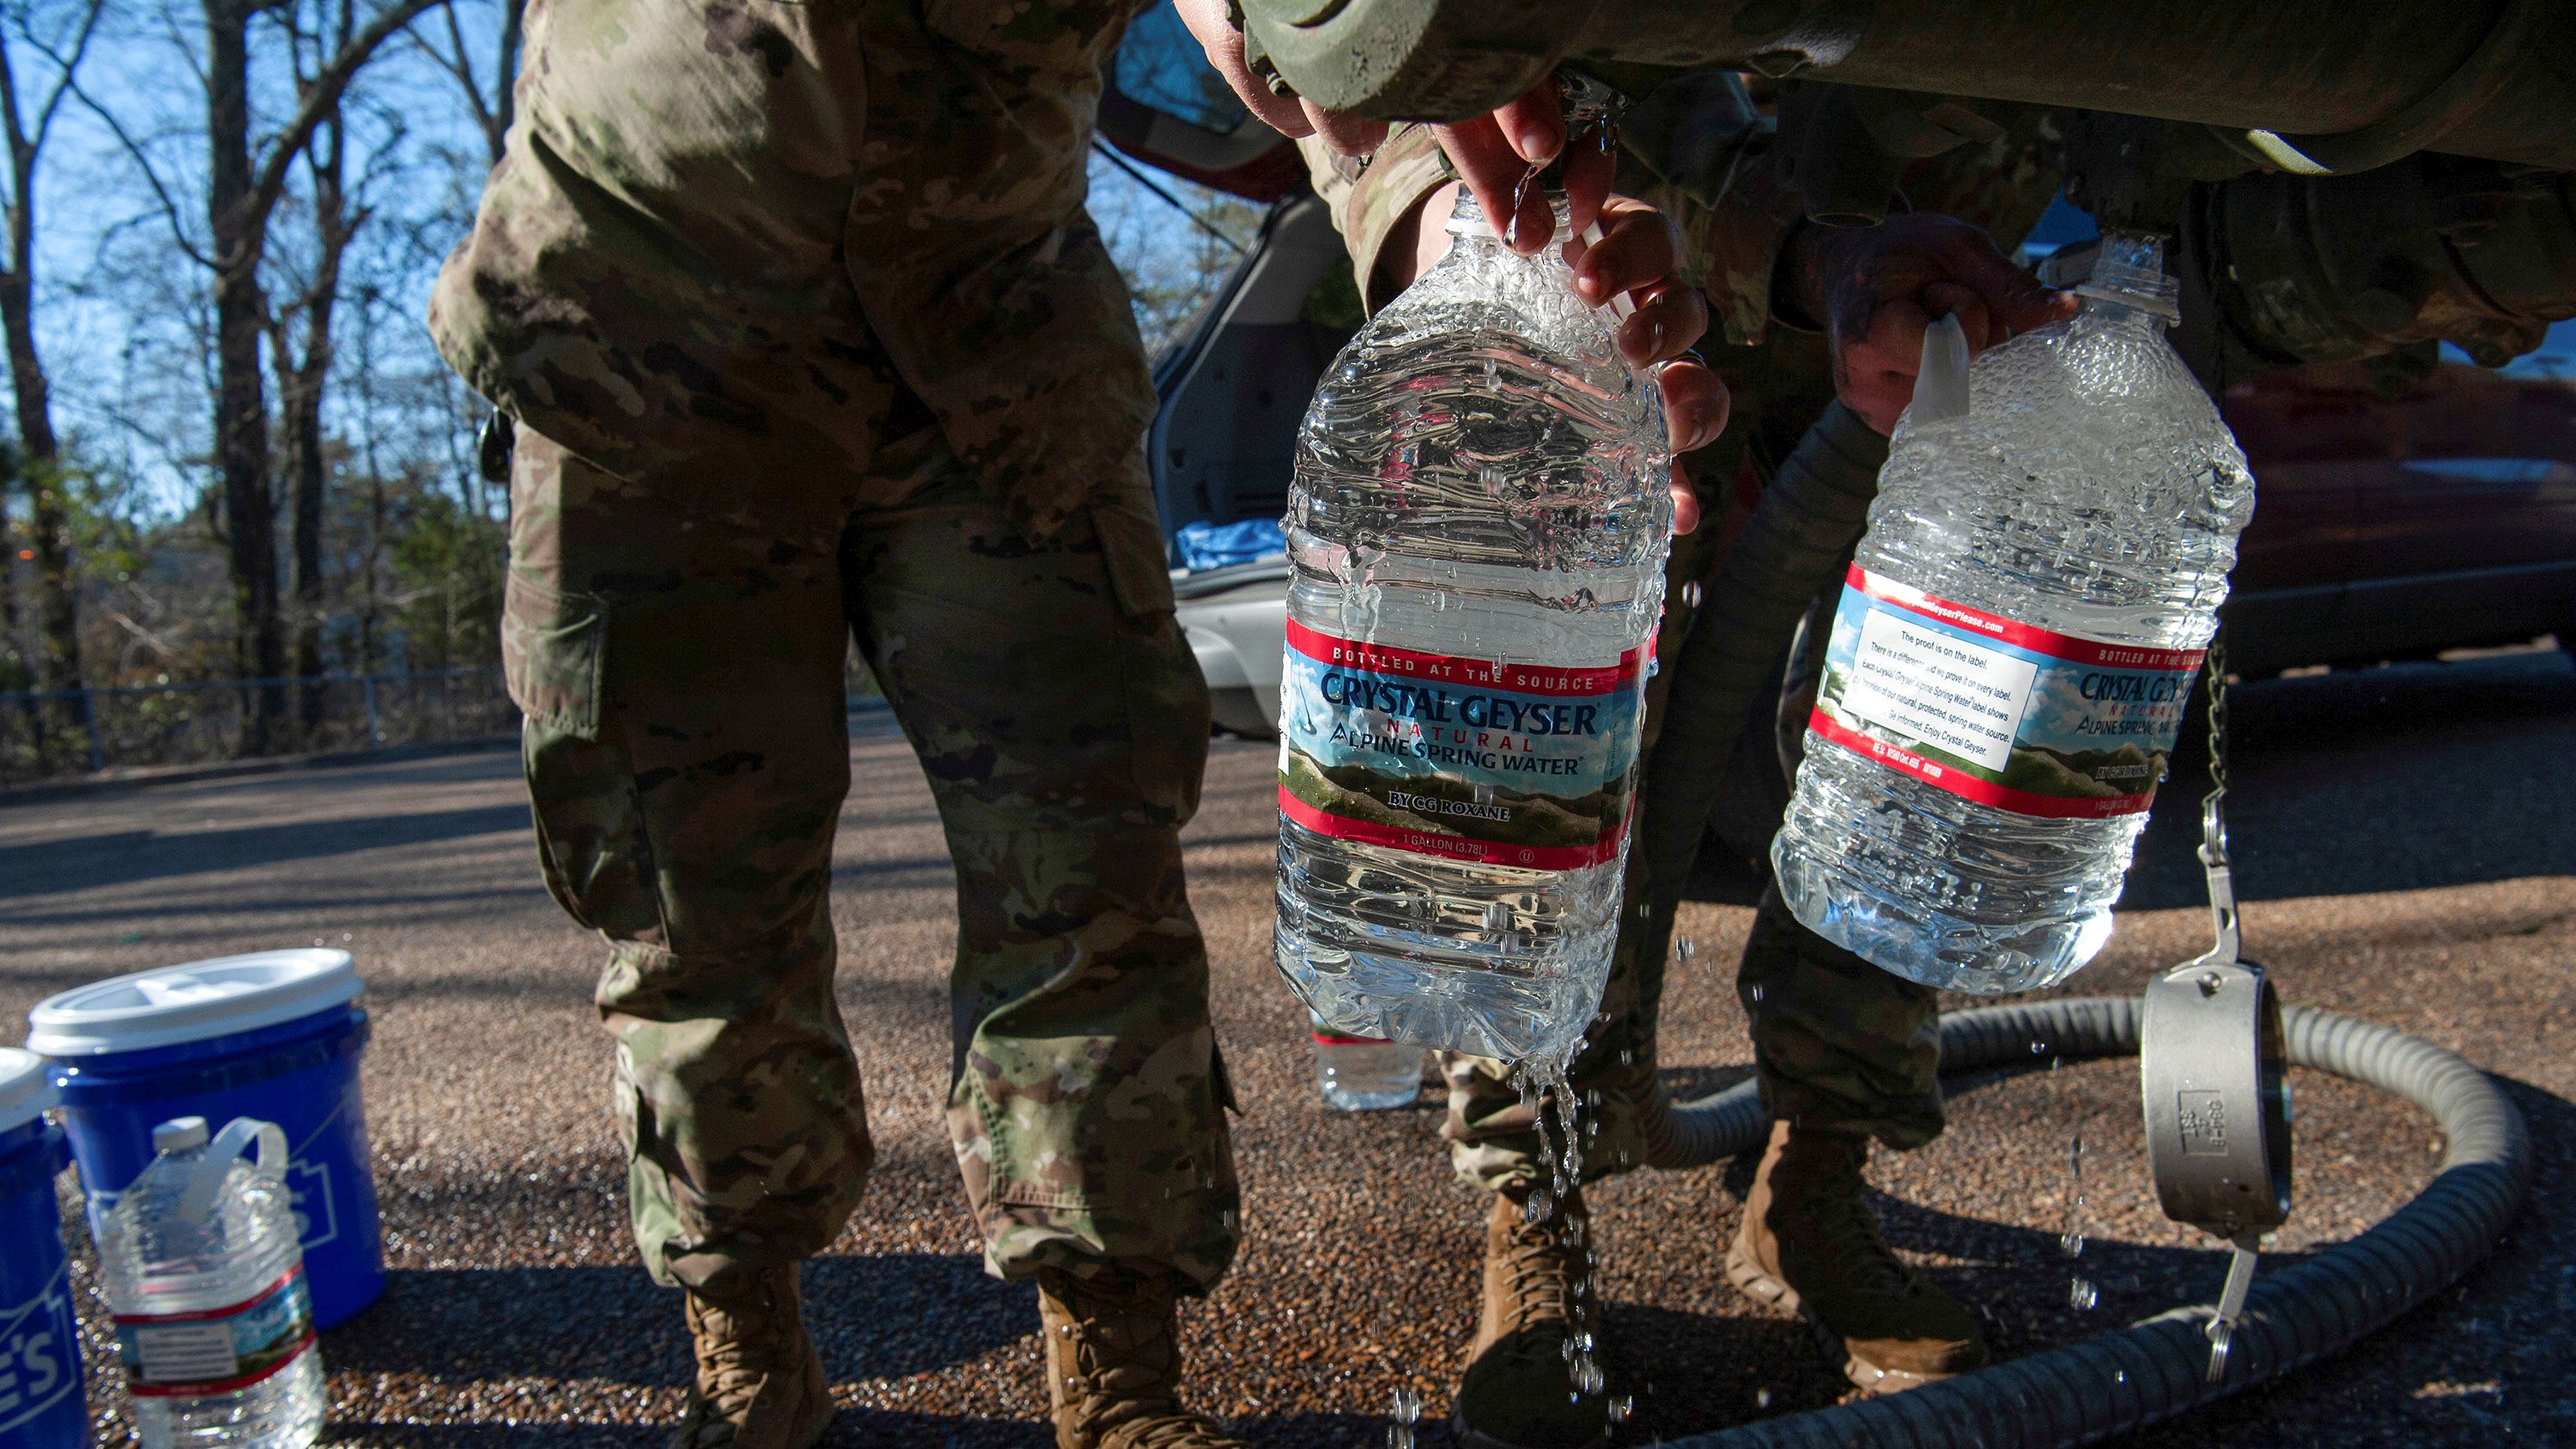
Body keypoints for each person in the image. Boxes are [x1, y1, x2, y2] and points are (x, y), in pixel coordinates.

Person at [428, 3, 1713, 1445]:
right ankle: (748, 1356)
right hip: (642, 337)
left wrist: (1462, 253)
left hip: (998, 358)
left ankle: (1118, 1385)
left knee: (1089, 876)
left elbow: (1317, 43)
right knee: (689, 903)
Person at [1261, 62, 2073, 1447]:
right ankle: (1535, 1217)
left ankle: (1815, 1184)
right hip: (1576, 315)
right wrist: (1482, 258)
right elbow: (1346, 81)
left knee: (1912, 769)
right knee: (1524, 782)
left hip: (1909, 325)